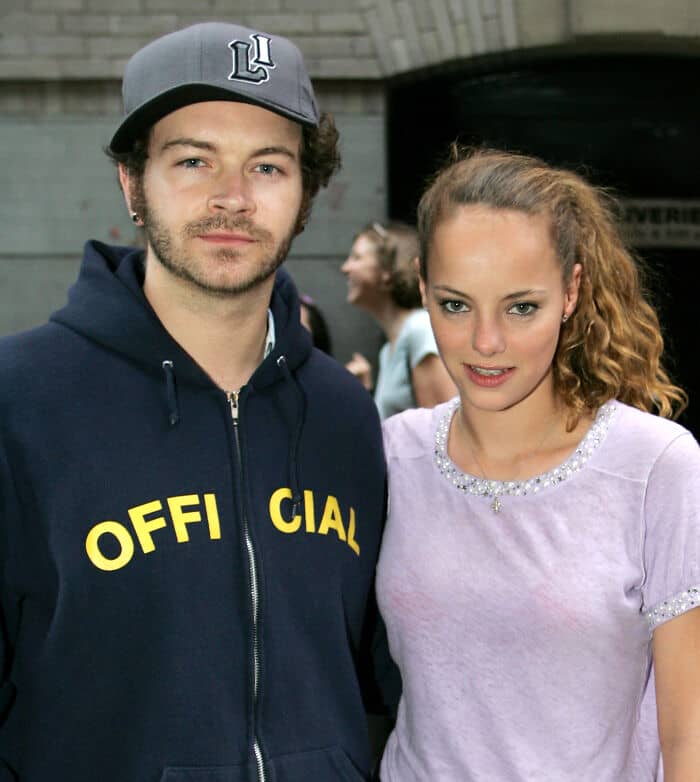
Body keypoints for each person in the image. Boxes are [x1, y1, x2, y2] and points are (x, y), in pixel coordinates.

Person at [0, 22, 389, 782]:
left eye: (267, 166)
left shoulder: (344, 415)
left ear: (306, 193)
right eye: (192, 161)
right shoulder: (21, 400)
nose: (232, 198)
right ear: (131, 183)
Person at [376, 147, 700, 781]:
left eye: (521, 306)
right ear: (422, 287)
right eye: (455, 304)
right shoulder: (394, 454)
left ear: (571, 291)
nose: (486, 342)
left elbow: (687, 731)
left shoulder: (655, 466)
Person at [341, 221, 455, 419]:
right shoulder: (388, 350)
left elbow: (440, 427)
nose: (345, 268)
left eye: (357, 257)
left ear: (388, 270)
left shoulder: (420, 330)